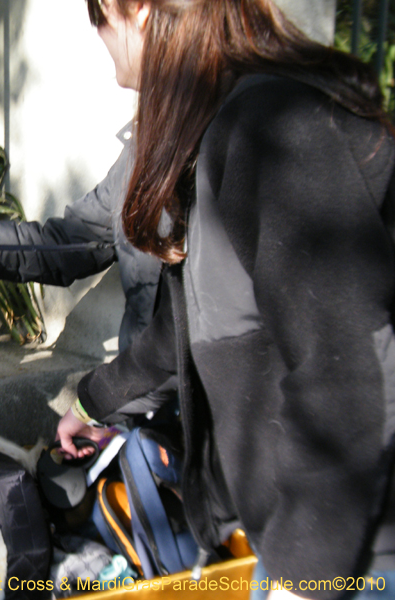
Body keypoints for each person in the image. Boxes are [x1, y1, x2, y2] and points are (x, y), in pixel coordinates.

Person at [53, 0, 395, 598]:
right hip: (300, 549)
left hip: (350, 560)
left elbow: (348, 375)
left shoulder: (278, 127)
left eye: (98, 23)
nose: (102, 44)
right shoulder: (220, 130)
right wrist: (92, 405)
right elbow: (187, 330)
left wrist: (299, 577)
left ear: (129, 8)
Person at [0, 124, 162, 355]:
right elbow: (64, 245)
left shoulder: (196, 151)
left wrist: (97, 398)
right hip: (144, 385)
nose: (114, 65)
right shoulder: (149, 147)